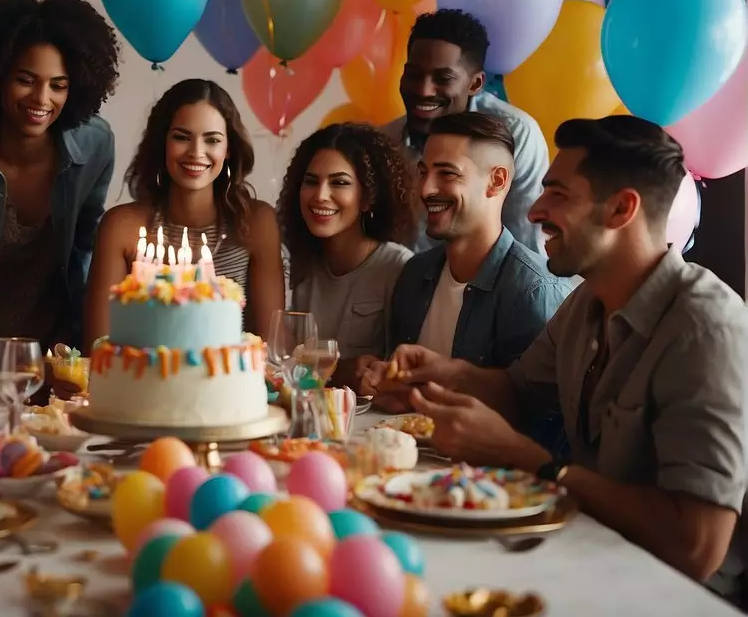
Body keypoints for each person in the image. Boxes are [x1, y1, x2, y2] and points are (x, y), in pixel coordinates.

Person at [380, 116, 748, 600]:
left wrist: (534, 463)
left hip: (675, 595)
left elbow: (698, 547)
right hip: (589, 551)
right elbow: (517, 391)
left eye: (558, 194)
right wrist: (446, 372)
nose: (534, 212)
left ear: (621, 209)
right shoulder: (585, 302)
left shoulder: (705, 328)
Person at [0, 0, 121, 403]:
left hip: (41, 373)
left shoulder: (94, 144)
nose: (42, 100)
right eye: (26, 79)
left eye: (58, 85)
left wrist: (76, 358)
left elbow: (84, 255)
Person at [364, 113, 572, 419]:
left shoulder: (533, 292)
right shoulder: (414, 273)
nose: (425, 190)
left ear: (496, 182)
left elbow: (537, 422)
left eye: (447, 174)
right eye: (423, 172)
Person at [85, 78, 285, 339]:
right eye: (181, 137)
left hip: (232, 378)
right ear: (162, 143)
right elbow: (98, 347)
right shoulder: (122, 227)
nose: (196, 152)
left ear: (228, 150)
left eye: (212, 140)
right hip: (140, 378)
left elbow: (273, 343)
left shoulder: (257, 223)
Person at [382, 8, 549, 253]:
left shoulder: (515, 135)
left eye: (443, 78)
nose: (424, 90)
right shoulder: (386, 142)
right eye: (414, 75)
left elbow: (527, 247)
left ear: (475, 84)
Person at [277, 122, 415, 389]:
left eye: (339, 182)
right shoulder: (291, 262)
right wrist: (339, 371)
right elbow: (280, 364)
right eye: (311, 181)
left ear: (367, 198)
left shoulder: (399, 268)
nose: (320, 195)